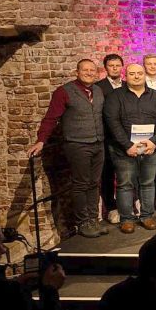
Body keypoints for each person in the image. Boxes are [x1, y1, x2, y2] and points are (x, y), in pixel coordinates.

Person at [28, 59, 108, 238]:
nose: (88, 73)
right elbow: (51, 118)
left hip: (98, 143)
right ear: (77, 72)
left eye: (92, 70)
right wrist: (41, 140)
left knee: (95, 183)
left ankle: (94, 219)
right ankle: (83, 222)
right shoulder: (64, 92)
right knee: (80, 184)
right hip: (77, 144)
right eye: (85, 70)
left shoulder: (98, 90)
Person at [103, 63, 156, 233]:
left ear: (144, 75)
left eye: (139, 73)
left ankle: (147, 216)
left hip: (150, 149)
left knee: (148, 183)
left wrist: (154, 141)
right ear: (126, 76)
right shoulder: (115, 96)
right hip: (124, 150)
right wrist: (127, 145)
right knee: (125, 184)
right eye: (132, 73)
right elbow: (113, 122)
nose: (136, 76)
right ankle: (127, 219)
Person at [97, 53, 125, 224]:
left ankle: (127, 206)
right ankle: (111, 208)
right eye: (111, 66)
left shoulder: (128, 85)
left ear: (122, 67)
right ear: (106, 68)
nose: (115, 68)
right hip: (107, 137)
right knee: (107, 174)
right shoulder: (99, 87)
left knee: (127, 174)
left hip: (127, 137)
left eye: (117, 65)